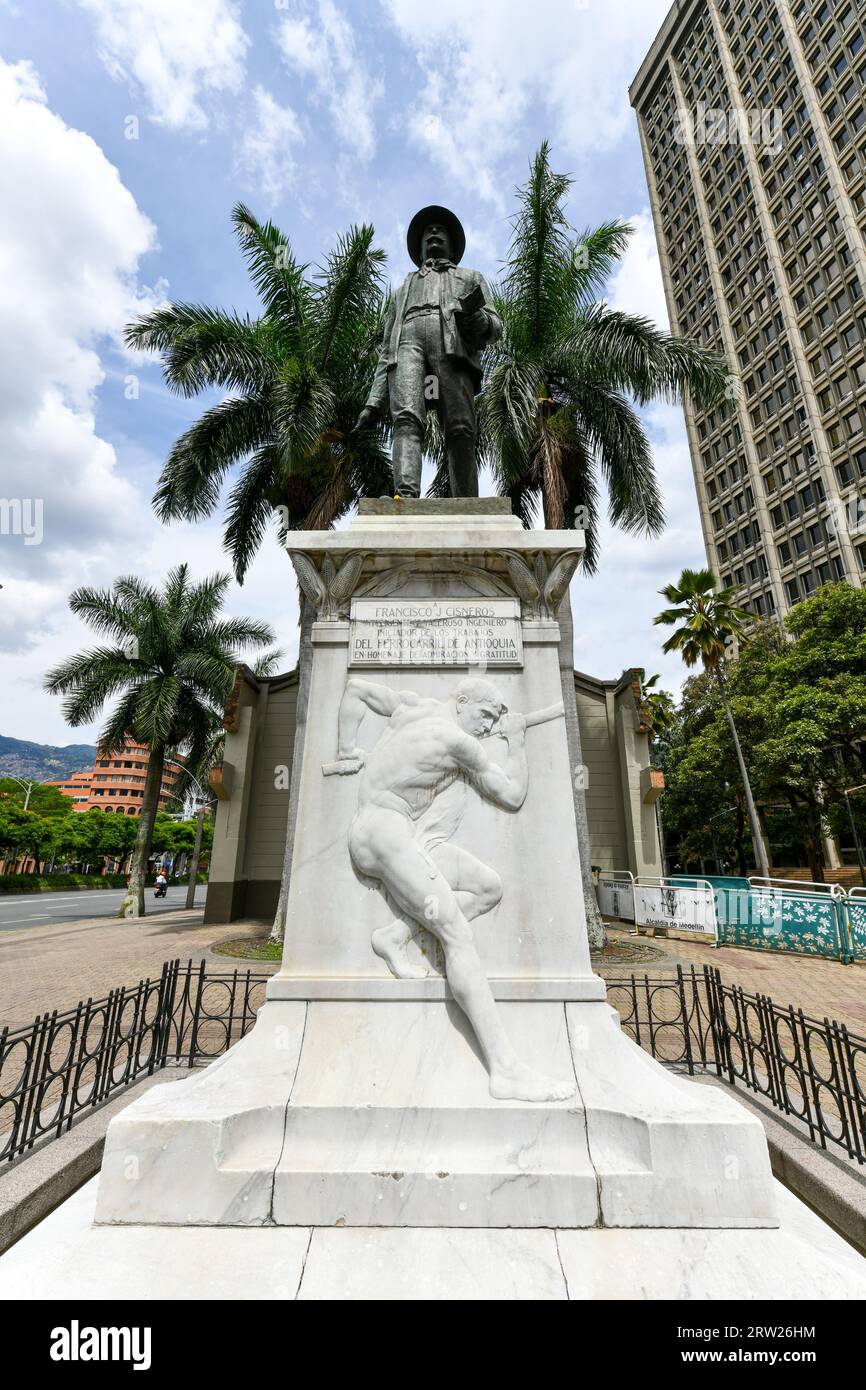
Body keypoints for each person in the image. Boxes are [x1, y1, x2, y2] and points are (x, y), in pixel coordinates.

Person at [325, 674, 574, 1103]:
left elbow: (357, 689)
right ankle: (505, 1069)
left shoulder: (412, 705)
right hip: (384, 835)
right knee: (457, 934)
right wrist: (516, 742)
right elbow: (512, 795)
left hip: (392, 834)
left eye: (497, 719)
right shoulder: (461, 744)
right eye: (485, 714)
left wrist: (347, 748)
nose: (488, 725)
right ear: (462, 701)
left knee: (487, 887)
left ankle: (395, 935)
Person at [355, 205, 501, 498]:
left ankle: (466, 502)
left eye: (440, 230)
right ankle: (405, 496)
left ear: (452, 243)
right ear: (420, 247)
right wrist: (374, 401)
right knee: (406, 419)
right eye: (427, 232)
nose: (433, 233)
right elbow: (387, 349)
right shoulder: (403, 289)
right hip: (408, 343)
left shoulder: (470, 277)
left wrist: (476, 318)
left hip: (452, 346)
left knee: (460, 427)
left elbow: (495, 328)